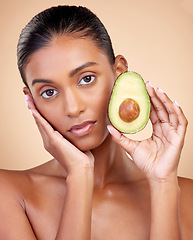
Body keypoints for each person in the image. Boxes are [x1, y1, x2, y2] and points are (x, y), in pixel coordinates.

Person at [0, 5, 193, 240]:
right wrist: (80, 175)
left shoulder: (187, 197)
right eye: (49, 92)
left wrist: (163, 183)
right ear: (31, 99)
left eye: (86, 79)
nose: (73, 108)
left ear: (119, 71)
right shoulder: (9, 193)